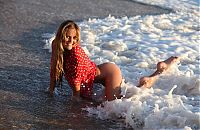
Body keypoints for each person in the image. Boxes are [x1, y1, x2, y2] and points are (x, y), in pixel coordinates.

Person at [49, 20, 179, 101]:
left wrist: (76, 97)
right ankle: (154, 74)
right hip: (99, 74)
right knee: (126, 91)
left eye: (74, 38)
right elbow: (54, 66)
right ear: (61, 35)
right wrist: (51, 89)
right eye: (67, 37)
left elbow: (76, 78)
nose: (71, 41)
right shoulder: (56, 44)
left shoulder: (75, 53)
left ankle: (157, 73)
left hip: (110, 72)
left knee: (117, 103)